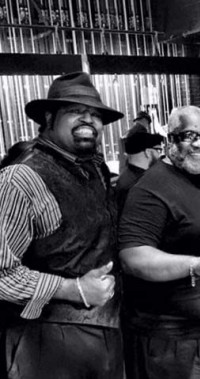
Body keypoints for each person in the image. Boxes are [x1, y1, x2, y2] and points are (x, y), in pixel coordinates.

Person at [0, 71, 124, 378]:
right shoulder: (21, 179)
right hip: (46, 339)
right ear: (49, 116)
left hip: (106, 327)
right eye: (76, 111)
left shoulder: (94, 166)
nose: (89, 120)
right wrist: (73, 289)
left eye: (95, 114)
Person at [118, 105, 200, 379]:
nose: (199, 145)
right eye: (189, 135)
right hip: (174, 344)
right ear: (169, 141)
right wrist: (196, 265)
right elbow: (133, 257)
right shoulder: (151, 189)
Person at [115, 122, 163, 211]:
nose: (160, 155)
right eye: (158, 150)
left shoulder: (127, 179)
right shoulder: (140, 185)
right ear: (148, 152)